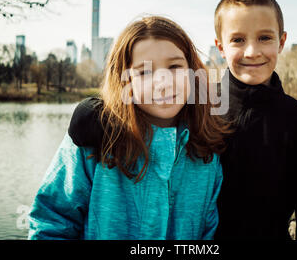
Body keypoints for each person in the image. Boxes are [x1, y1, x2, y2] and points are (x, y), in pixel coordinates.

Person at [28, 16, 233, 240]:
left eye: (174, 67)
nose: (163, 82)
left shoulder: (207, 150)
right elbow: (51, 223)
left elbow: (209, 232)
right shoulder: (94, 141)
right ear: (126, 81)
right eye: (144, 72)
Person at [213, 0, 297, 240]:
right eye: (238, 40)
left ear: (282, 42)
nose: (252, 51)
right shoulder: (199, 109)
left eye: (264, 38)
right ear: (221, 47)